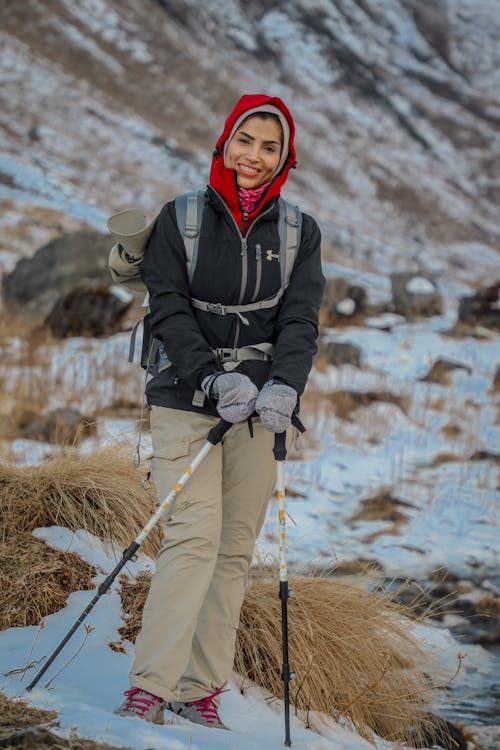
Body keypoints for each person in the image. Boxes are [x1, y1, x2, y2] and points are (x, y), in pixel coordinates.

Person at [109, 93, 325, 730]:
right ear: (225, 141)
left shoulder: (299, 232)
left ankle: (201, 690)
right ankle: (149, 687)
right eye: (245, 141)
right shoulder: (180, 219)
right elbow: (168, 307)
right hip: (184, 395)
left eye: (269, 147)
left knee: (233, 549)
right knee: (194, 538)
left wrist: (284, 388)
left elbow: (301, 320)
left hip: (260, 408)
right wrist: (210, 379)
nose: (253, 157)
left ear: (285, 158)